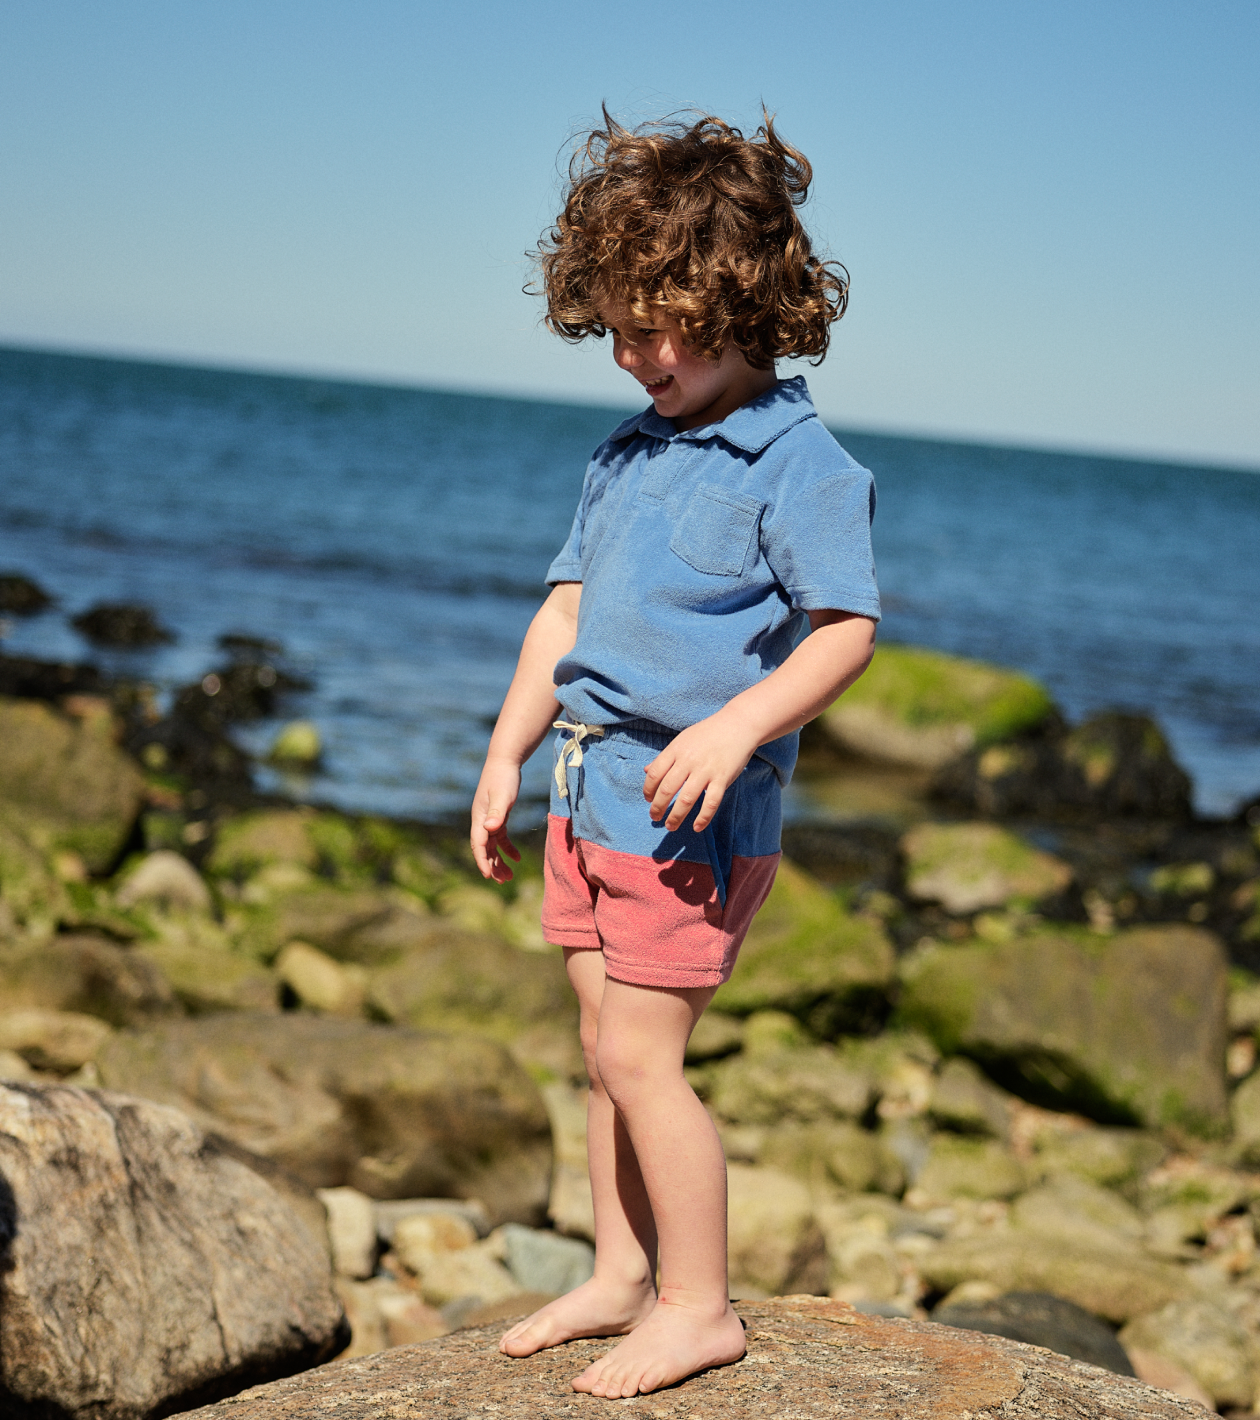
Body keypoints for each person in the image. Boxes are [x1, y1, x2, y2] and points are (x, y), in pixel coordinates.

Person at [469, 110, 880, 1400]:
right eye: (618, 328)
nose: (636, 353)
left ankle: (699, 1306)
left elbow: (846, 630)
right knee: (604, 1048)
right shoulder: (626, 455)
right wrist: (502, 758)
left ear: (749, 300)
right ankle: (619, 1272)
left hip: (694, 809)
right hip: (587, 787)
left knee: (645, 1057)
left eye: (664, 325)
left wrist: (739, 721)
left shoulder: (800, 465)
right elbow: (567, 613)